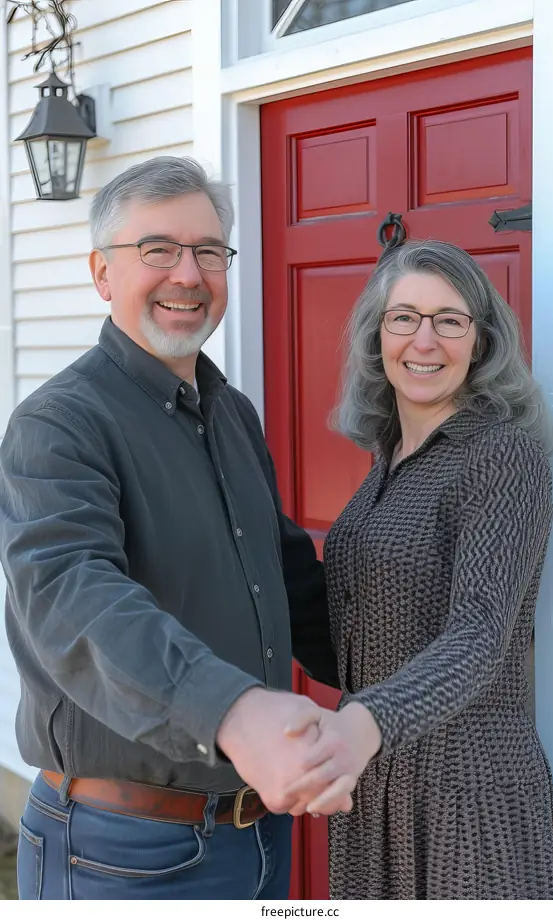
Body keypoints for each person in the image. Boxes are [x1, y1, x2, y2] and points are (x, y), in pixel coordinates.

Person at [0, 155, 347, 900]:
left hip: (256, 833)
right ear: (102, 273)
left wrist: (406, 678)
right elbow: (73, 596)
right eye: (157, 249)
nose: (188, 274)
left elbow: (287, 581)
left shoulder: (230, 413)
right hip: (122, 851)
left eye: (209, 251)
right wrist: (233, 710)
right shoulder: (59, 426)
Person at [284, 239, 553, 899]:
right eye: (404, 317)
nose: (424, 340)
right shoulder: (389, 458)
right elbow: (358, 631)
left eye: (449, 319)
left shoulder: (501, 457)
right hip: (375, 781)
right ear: (377, 337)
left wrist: (360, 723)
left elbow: (479, 636)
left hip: (468, 790)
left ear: (481, 340)